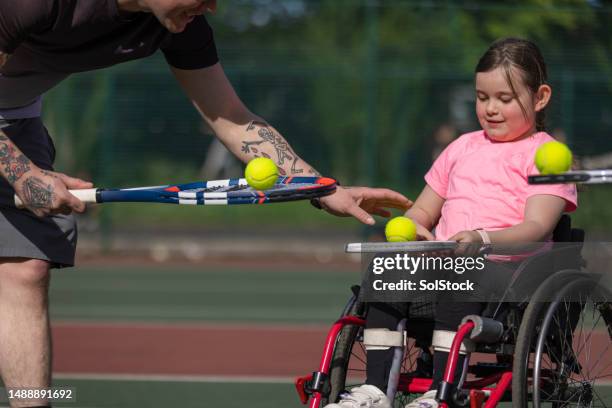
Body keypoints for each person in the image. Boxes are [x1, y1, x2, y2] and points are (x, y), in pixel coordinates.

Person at [0, 1, 413, 407]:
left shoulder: (179, 22)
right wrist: (23, 174)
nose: (213, 6)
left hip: (15, 121)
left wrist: (321, 189)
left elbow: (229, 116)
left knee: (26, 267)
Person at [325, 38, 577, 408]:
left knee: (461, 272)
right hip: (443, 262)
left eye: (505, 99)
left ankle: (441, 392)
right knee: (384, 269)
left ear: (539, 98)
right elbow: (423, 211)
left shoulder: (547, 156)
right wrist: (411, 228)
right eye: (482, 97)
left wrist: (482, 237)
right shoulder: (461, 147)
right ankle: (376, 390)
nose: (490, 109)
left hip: (510, 273)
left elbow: (537, 226)